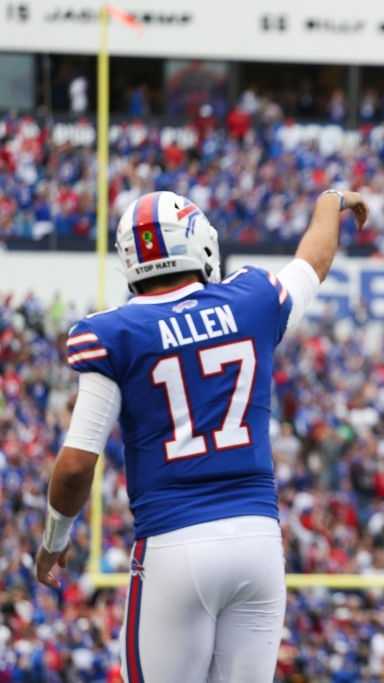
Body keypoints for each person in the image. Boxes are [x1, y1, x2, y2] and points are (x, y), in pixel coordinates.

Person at [35, 188, 367, 681]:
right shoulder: (251, 299)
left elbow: (77, 464)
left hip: (174, 543)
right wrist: (330, 201)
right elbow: (312, 261)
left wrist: (54, 539)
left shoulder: (115, 333)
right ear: (198, 241)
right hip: (257, 541)